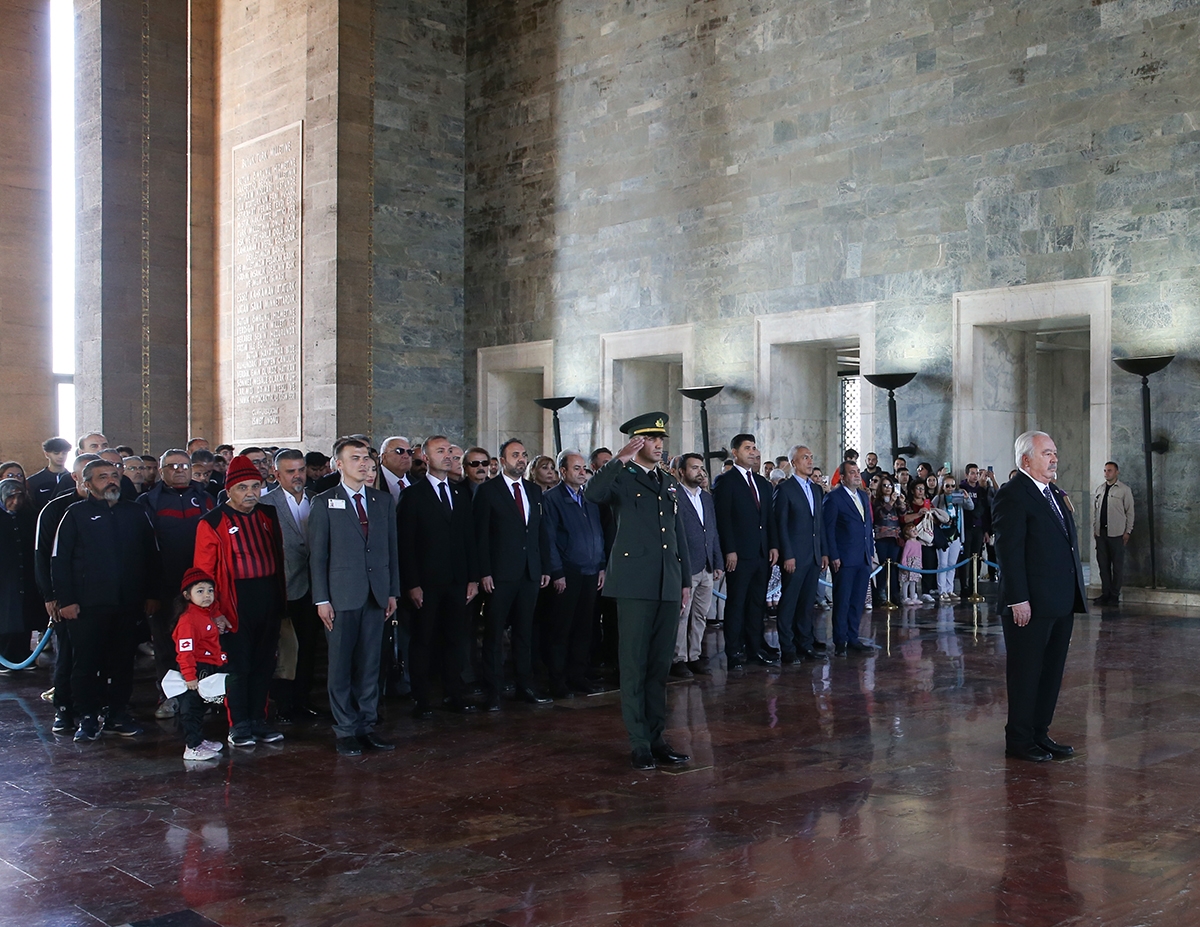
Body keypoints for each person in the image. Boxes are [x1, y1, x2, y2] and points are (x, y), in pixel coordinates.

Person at [585, 412, 692, 771]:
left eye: (661, 439)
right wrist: (619, 460)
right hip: (634, 582)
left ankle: (658, 737)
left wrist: (686, 581)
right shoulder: (620, 477)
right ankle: (639, 742)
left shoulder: (667, 481)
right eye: (650, 439)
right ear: (635, 441)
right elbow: (593, 493)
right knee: (634, 665)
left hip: (666, 581)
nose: (659, 445)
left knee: (659, 668)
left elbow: (678, 533)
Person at [51, 459, 160, 741]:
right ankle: (86, 716)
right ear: (87, 484)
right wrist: (66, 601)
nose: (111, 480)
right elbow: (59, 561)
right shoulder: (75, 514)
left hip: (127, 604)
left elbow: (152, 556)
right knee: (86, 663)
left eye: (114, 475)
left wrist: (151, 594)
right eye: (102, 477)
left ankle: (117, 713)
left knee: (123, 662)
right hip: (87, 606)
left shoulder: (135, 513)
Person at [994, 430, 1087, 763]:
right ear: (1025, 460)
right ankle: (1019, 739)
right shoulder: (1013, 494)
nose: (1054, 459)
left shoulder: (1053, 493)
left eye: (1055, 452)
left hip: (1059, 600)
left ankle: (1039, 733)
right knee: (1026, 671)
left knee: (1050, 672)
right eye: (1046, 453)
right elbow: (1009, 550)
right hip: (1029, 603)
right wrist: (1018, 597)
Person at [308, 437, 400, 755]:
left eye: (367, 458)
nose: (364, 464)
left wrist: (392, 591)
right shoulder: (324, 501)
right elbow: (317, 557)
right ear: (339, 464)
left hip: (376, 595)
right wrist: (321, 599)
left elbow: (391, 550)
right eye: (356, 458)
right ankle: (345, 728)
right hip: (341, 596)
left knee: (370, 664)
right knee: (341, 665)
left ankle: (366, 725)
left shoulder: (382, 502)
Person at [193, 455, 287, 747]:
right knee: (238, 665)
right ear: (229, 490)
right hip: (234, 601)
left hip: (268, 597)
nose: (250, 494)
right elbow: (203, 573)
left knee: (264, 664)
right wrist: (213, 611)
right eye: (243, 488)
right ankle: (239, 725)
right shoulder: (212, 522)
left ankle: (259, 720)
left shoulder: (267, 515)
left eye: (255, 487)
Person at [396, 435, 479, 719]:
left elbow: (470, 539)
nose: (447, 456)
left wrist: (472, 578)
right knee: (423, 641)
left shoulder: (460, 493)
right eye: (439, 451)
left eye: (450, 451)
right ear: (426, 458)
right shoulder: (413, 495)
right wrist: (412, 584)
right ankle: (421, 699)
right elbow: (406, 544)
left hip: (457, 581)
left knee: (456, 639)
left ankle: (453, 693)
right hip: (426, 583)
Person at [138, 448, 217, 719]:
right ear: (161, 471)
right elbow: (145, 550)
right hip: (165, 587)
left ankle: (204, 697)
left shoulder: (206, 499)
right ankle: (169, 696)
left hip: (201, 588)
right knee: (166, 646)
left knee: (203, 642)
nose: (179, 471)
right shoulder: (149, 501)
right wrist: (150, 591)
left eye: (183, 466)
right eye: (172, 467)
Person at [474, 439, 552, 707]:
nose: (521, 459)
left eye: (524, 454)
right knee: (495, 633)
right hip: (500, 573)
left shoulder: (533, 490)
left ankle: (524, 686)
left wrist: (543, 566)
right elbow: (481, 536)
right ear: (502, 460)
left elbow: (539, 531)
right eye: (515, 454)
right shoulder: (488, 491)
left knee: (524, 632)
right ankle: (494, 690)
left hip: (530, 572)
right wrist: (484, 572)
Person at [260, 449, 321, 723]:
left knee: (309, 647)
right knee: (285, 650)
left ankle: (303, 700)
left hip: (315, 586)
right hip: (283, 587)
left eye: (300, 470)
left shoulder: (318, 500)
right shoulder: (265, 504)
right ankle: (284, 705)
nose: (297, 476)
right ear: (276, 474)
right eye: (290, 471)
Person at [541, 450, 607, 697]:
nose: (582, 473)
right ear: (563, 472)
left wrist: (601, 564)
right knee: (561, 629)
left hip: (591, 571)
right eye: (576, 468)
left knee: (584, 628)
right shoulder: (551, 499)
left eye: (584, 469)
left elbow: (597, 532)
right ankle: (557, 681)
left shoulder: (589, 498)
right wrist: (557, 572)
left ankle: (578, 676)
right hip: (567, 573)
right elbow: (549, 539)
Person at [713, 433, 779, 669]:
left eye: (755, 447)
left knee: (757, 603)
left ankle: (755, 648)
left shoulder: (762, 483)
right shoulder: (726, 481)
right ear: (735, 453)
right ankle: (733, 651)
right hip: (739, 554)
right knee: (737, 603)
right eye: (748, 448)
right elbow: (724, 519)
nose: (753, 452)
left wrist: (772, 545)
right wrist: (729, 550)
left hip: (761, 553)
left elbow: (768, 518)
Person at [774, 445, 827, 662]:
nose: (810, 460)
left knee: (807, 604)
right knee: (789, 603)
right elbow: (781, 525)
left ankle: (804, 644)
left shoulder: (815, 489)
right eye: (805, 457)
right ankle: (787, 647)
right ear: (794, 462)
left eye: (811, 456)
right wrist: (788, 554)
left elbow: (819, 524)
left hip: (813, 555)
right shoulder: (785, 489)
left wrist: (823, 552)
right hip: (794, 557)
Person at [671, 453, 722, 677]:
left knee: (701, 614)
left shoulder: (707, 498)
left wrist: (717, 560)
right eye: (694, 468)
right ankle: (678, 658)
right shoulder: (674, 497)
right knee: (682, 614)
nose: (699, 472)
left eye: (701, 468)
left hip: (707, 565)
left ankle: (695, 654)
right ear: (682, 472)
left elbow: (712, 532)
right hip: (686, 564)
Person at [173, 568, 229, 762]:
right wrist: (189, 676)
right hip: (196, 670)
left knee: (201, 706)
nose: (207, 595)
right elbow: (185, 651)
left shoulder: (206, 614)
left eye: (210, 591)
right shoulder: (188, 620)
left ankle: (199, 740)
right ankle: (192, 746)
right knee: (191, 708)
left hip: (208, 667)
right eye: (200, 591)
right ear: (187, 595)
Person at [822, 461, 875, 655]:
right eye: (851, 472)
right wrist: (833, 554)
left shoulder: (863, 496)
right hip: (844, 558)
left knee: (858, 600)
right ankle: (840, 641)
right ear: (842, 477)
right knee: (842, 601)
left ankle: (853, 638)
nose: (856, 475)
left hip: (862, 557)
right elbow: (828, 529)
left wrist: (870, 551)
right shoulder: (834, 498)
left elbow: (867, 526)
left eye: (857, 472)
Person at [0, 479, 40, 668]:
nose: (16, 502)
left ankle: (21, 653)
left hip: (25, 575)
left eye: (19, 497)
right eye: (10, 497)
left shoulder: (29, 516)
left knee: (24, 615)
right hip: (5, 577)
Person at [1092, 461, 1134, 605]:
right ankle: (1105, 593)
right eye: (1105, 470)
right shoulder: (1099, 489)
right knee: (1103, 566)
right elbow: (1095, 511)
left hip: (1116, 534)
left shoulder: (1124, 490)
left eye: (1109, 470)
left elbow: (1130, 512)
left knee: (1117, 566)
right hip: (1101, 534)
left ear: (1117, 472)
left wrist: (1127, 531)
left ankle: (1114, 595)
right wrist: (1095, 529)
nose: (1106, 473)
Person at [934, 476, 973, 602]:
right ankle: (942, 591)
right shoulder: (939, 498)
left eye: (952, 486)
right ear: (943, 487)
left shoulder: (958, 498)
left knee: (952, 564)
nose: (950, 489)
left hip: (955, 533)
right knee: (943, 564)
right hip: (943, 534)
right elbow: (931, 511)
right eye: (947, 486)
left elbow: (970, 507)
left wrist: (966, 498)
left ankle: (950, 590)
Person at [871, 474, 905, 607]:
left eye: (890, 485)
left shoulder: (896, 500)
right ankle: (881, 593)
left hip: (895, 537)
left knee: (894, 567)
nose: (887, 488)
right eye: (884, 485)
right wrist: (890, 502)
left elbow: (903, 514)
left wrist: (901, 503)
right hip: (882, 537)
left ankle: (895, 593)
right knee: (883, 567)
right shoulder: (876, 501)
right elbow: (881, 514)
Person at [27, 437, 74, 512]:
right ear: (46, 454)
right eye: (56, 453)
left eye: (64, 453)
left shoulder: (74, 479)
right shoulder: (34, 481)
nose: (61, 456)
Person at [377, 435, 414, 503]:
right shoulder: (373, 481)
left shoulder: (416, 482)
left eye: (409, 452)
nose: (406, 456)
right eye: (399, 451)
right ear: (384, 457)